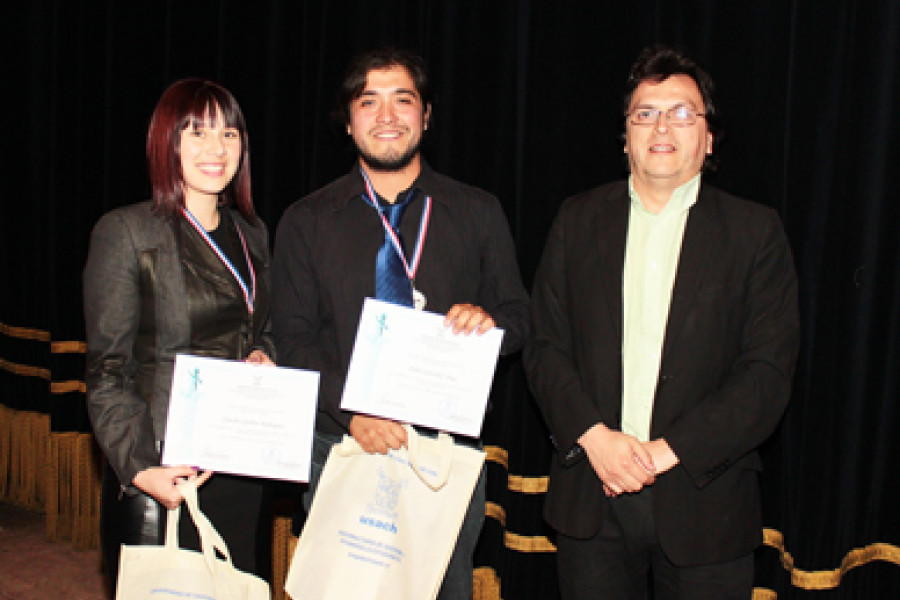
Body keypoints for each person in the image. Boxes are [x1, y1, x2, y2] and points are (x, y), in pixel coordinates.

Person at [524, 45, 800, 600]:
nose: (662, 127)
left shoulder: (755, 233)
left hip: (707, 503)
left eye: (682, 113)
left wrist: (662, 452)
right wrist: (595, 438)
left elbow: (766, 375)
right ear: (625, 137)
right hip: (592, 494)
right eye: (645, 113)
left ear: (709, 137)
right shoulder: (577, 220)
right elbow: (544, 346)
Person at [271, 47, 529, 599]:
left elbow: (519, 317)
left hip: (442, 455)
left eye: (403, 100)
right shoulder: (306, 220)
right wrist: (352, 412)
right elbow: (293, 340)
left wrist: (488, 323)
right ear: (348, 120)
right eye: (369, 102)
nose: (387, 115)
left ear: (426, 115)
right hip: (340, 445)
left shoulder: (478, 211)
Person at [83, 78, 275, 596]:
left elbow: (265, 328)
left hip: (239, 459)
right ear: (167, 142)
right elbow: (107, 369)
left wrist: (264, 353)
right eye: (197, 133)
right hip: (163, 465)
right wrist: (139, 467)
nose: (217, 148)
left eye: (229, 134)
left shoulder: (252, 233)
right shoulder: (126, 232)